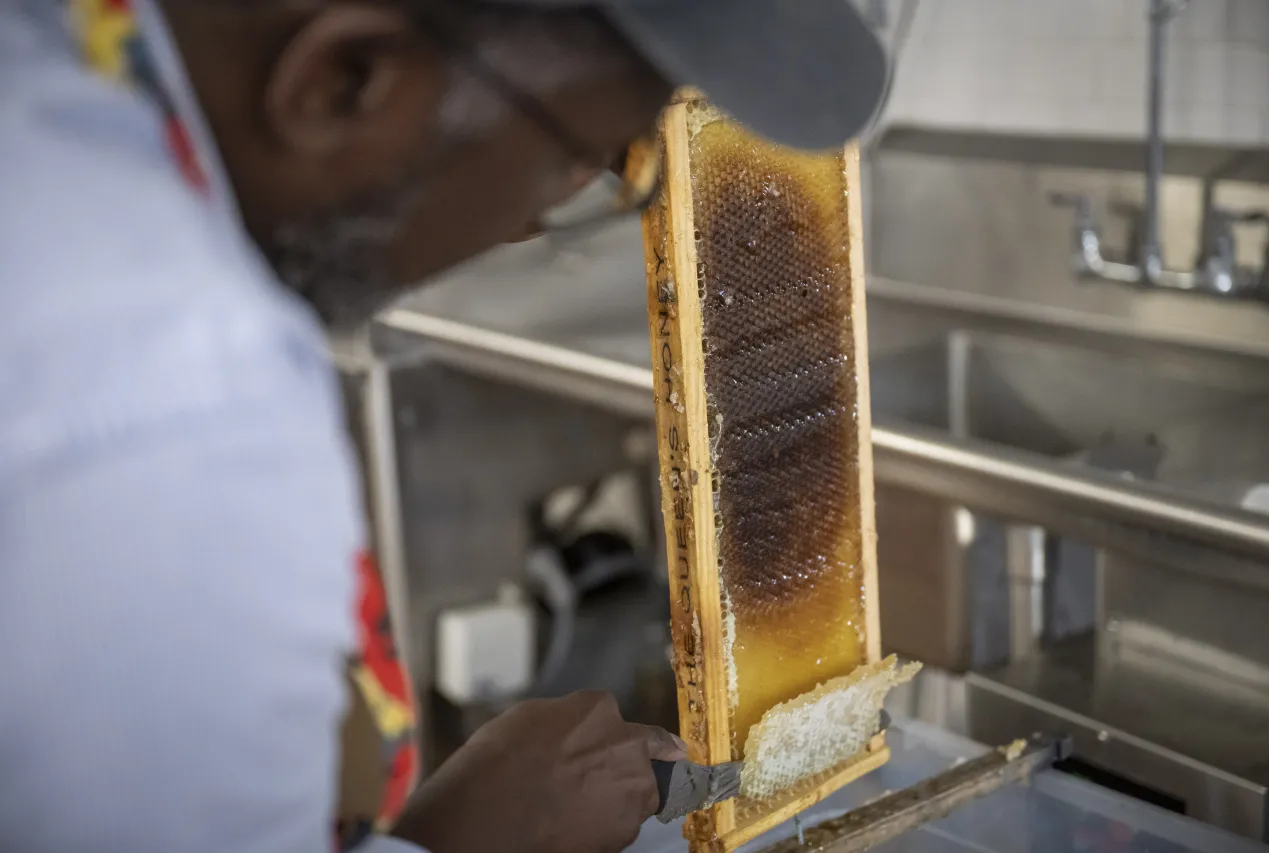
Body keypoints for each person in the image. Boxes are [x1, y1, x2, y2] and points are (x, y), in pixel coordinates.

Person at [0, 0, 888, 851]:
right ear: (343, 79)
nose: (523, 231)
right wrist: (474, 831)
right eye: (570, 157)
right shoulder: (177, 403)